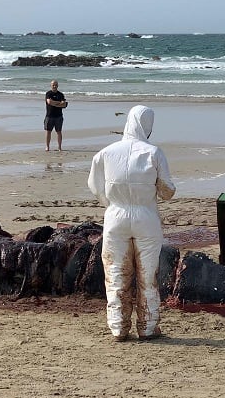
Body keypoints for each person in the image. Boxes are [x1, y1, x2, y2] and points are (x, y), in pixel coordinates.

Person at [87, 105, 176, 342]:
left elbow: (95, 186)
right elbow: (168, 191)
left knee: (116, 273)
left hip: (115, 216)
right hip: (146, 217)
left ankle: (118, 327)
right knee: (147, 276)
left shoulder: (106, 153)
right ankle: (147, 327)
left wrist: (112, 203)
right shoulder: (153, 153)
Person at [44, 80, 67, 151]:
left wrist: (54, 103)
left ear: (58, 85)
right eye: (53, 85)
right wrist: (59, 103)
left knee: (59, 132)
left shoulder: (61, 94)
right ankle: (47, 147)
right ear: (51, 85)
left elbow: (64, 104)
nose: (54, 86)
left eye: (56, 85)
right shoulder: (48, 93)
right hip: (49, 116)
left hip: (59, 116)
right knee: (48, 131)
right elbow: (49, 102)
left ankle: (59, 147)